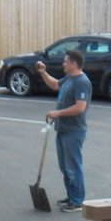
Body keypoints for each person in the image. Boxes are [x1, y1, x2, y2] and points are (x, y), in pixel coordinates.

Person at [35, 49, 91, 212]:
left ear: (74, 64)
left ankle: (77, 201)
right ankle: (71, 196)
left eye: (66, 62)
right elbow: (54, 84)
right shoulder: (69, 78)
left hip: (74, 131)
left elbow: (80, 107)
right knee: (65, 166)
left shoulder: (82, 81)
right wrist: (43, 73)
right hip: (63, 129)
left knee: (73, 166)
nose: (63, 64)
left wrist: (57, 113)